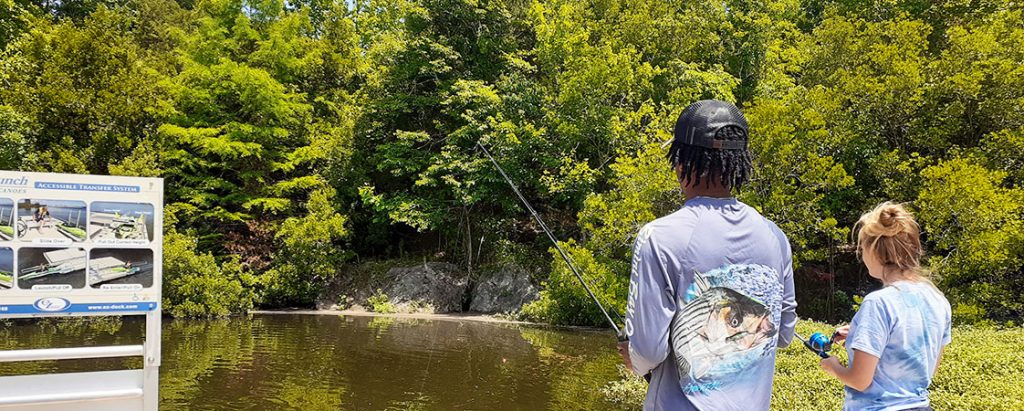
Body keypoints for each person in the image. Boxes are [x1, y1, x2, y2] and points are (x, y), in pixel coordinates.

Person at [618, 100, 797, 410]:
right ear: (738, 164)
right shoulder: (775, 238)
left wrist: (632, 358)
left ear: (682, 162)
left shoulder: (659, 237)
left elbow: (646, 352)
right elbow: (783, 334)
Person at [819, 202, 951, 411]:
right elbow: (927, 368)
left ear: (874, 250)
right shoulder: (938, 300)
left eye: (862, 248)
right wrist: (858, 336)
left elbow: (859, 381)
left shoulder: (878, 303)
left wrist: (834, 367)